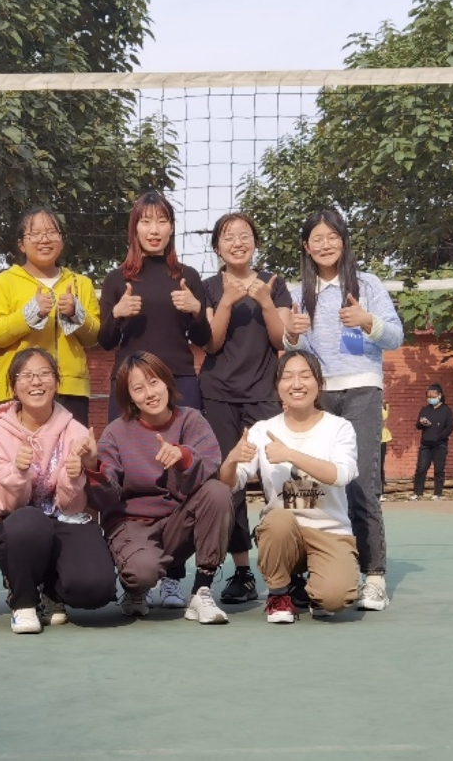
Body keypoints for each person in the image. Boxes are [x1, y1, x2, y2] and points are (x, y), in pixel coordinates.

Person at [283, 209, 403, 611]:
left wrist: (367, 321)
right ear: (306, 246)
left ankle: (374, 576)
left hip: (362, 390)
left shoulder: (367, 285)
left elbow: (396, 337)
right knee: (307, 482)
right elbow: (295, 351)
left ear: (344, 240)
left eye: (332, 236)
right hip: (319, 395)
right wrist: (291, 335)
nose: (325, 244)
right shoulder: (300, 292)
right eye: (317, 238)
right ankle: (304, 575)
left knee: (361, 484)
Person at [97, 190, 212, 610]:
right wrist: (117, 314)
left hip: (179, 381)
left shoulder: (188, 276)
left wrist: (196, 310)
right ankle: (133, 572)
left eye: (162, 221)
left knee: (180, 472)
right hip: (130, 387)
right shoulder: (117, 279)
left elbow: (204, 339)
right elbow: (105, 340)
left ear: (171, 227)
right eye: (146, 221)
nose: (154, 229)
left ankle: (173, 578)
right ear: (135, 228)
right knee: (127, 476)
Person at [91, 351, 233, 624]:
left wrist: (184, 457)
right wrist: (91, 467)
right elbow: (106, 491)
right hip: (132, 523)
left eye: (154, 382)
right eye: (138, 388)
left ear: (167, 381)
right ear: (129, 397)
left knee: (218, 492)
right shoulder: (115, 432)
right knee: (142, 573)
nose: (150, 393)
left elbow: (210, 465)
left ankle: (201, 591)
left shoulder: (191, 420)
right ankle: (135, 588)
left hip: (176, 522)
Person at [219, 350, 360, 623]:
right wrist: (231, 460)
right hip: (283, 534)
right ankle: (279, 593)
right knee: (278, 520)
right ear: (277, 386)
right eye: (287, 377)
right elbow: (231, 483)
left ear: (319, 383)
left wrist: (291, 455)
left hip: (329, 531)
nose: (297, 384)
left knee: (335, 599)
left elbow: (341, 475)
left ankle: (313, 588)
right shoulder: (262, 430)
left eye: (305, 376)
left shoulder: (339, 428)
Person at [0, 348, 116, 634]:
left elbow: (72, 506)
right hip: (20, 527)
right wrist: (18, 472)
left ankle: (52, 591)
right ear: (13, 386)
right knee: (28, 522)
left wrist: (76, 473)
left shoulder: (75, 431)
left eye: (45, 374)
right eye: (26, 375)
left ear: (57, 382)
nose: (36, 382)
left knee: (96, 588)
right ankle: (24, 601)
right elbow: (6, 504)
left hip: (66, 521)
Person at [199, 211, 292, 605]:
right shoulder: (207, 287)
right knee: (230, 480)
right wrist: (228, 301)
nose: (237, 242)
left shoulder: (274, 283)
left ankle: (289, 569)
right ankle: (242, 571)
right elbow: (211, 343)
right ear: (217, 247)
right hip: (218, 394)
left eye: (244, 235)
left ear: (255, 242)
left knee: (279, 475)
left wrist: (265, 302)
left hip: (263, 394)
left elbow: (281, 339)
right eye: (228, 236)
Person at [0, 207, 101, 426]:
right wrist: (29, 314)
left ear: (62, 241)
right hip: (15, 390)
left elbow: (93, 337)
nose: (44, 240)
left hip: (70, 390)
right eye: (35, 234)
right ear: (21, 244)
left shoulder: (81, 283)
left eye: (51, 233)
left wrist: (77, 314)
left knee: (72, 449)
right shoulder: (2, 282)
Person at [411, 383, 453, 501]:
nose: (430, 399)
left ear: (439, 395)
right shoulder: (425, 409)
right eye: (428, 396)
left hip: (440, 444)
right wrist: (422, 422)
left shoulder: (446, 410)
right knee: (421, 468)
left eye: (433, 396)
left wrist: (440, 437)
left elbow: (449, 427)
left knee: (439, 469)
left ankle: (437, 493)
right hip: (426, 444)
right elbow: (418, 425)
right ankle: (418, 493)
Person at [380, 402, 392, 501]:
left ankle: (380, 492)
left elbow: (384, 420)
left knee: (380, 466)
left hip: (382, 438)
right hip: (370, 438)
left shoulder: (385, 406)